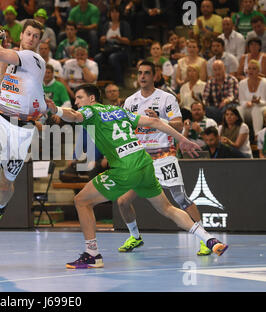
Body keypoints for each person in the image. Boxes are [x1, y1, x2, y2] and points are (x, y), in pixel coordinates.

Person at [45, 83, 228, 269]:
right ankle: (209, 239)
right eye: (75, 99)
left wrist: (57, 109)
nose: (76, 102)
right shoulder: (119, 111)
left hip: (125, 167)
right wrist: (182, 139)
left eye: (79, 98)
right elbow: (155, 122)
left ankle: (92, 254)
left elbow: (74, 115)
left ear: (92, 99)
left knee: (81, 201)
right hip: (144, 162)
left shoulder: (91, 110)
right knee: (167, 208)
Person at [120, 61, 212, 256]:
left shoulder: (166, 98)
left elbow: (178, 125)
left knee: (181, 199)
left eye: (146, 73)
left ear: (155, 76)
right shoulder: (130, 101)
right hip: (141, 160)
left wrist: (158, 119)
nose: (142, 76)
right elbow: (125, 129)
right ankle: (135, 237)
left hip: (164, 156)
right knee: (122, 201)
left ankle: (205, 239)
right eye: (139, 73)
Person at [0, 20, 46, 238]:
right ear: (21, 35)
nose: (31, 38)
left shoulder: (33, 58)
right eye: (29, 34)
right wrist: (3, 53)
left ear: (39, 41)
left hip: (23, 130)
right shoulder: (13, 57)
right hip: (1, 118)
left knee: (5, 185)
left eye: (36, 36)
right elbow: (2, 83)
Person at [94, 5, 131, 86]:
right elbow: (102, 42)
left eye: (116, 12)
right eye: (112, 12)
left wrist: (118, 38)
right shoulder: (106, 25)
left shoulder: (124, 24)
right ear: (109, 14)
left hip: (121, 49)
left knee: (113, 57)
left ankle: (119, 82)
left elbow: (128, 41)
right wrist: (102, 40)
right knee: (97, 58)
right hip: (108, 49)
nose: (114, 14)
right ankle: (100, 82)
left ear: (119, 14)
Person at [238, 59, 266, 136]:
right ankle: (241, 133)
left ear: (258, 71)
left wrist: (258, 102)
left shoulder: (264, 82)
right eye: (249, 68)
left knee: (256, 109)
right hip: (248, 108)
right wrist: (247, 103)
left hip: (262, 107)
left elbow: (265, 101)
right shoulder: (242, 83)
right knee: (239, 109)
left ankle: (257, 135)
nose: (251, 71)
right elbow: (241, 101)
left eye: (254, 69)